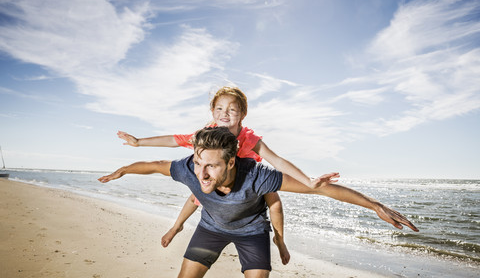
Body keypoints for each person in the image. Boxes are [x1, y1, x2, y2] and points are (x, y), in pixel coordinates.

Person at [99, 127, 419, 278]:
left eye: (211, 166)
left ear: (232, 163)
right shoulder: (191, 169)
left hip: (252, 232)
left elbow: (319, 190)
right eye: (198, 164)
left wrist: (375, 205)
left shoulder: (258, 176)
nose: (202, 173)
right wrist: (124, 169)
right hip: (211, 229)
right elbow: (155, 164)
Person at [117, 86, 318, 264]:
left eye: (232, 109)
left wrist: (307, 181)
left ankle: (280, 240)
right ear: (213, 112)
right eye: (219, 108)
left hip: (247, 183)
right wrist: (139, 142)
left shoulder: (249, 139)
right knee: (196, 195)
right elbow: (174, 139)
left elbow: (277, 160)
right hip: (217, 177)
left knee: (274, 201)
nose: (225, 113)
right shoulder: (206, 134)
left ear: (242, 114)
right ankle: (176, 226)